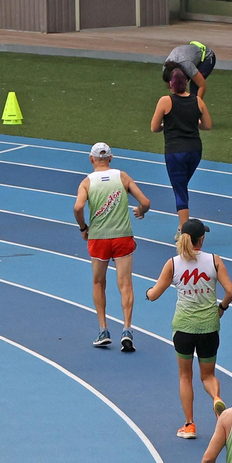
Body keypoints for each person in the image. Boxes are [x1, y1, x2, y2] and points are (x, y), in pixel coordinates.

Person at [147, 218, 232, 439]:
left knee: (185, 377)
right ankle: (216, 399)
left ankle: (189, 425)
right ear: (202, 239)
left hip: (184, 329)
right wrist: (221, 307)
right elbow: (231, 291)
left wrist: (148, 293)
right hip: (209, 328)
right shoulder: (214, 261)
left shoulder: (174, 263)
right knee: (208, 376)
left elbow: (155, 294)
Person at [73, 142, 150, 351]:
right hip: (122, 236)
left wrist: (83, 227)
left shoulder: (87, 182)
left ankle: (103, 329)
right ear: (111, 158)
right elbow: (145, 201)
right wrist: (141, 210)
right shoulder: (122, 177)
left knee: (99, 282)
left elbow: (78, 206)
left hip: (98, 238)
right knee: (125, 283)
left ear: (91, 159)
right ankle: (126, 329)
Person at [150, 67, 211, 228]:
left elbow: (154, 127)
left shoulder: (165, 101)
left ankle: (185, 230)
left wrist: (168, 124)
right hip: (195, 150)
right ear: (186, 83)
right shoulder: (197, 100)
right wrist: (191, 123)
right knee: (181, 186)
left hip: (175, 151)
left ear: (171, 84)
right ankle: (183, 226)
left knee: (180, 189)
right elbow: (207, 125)